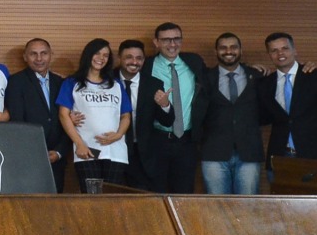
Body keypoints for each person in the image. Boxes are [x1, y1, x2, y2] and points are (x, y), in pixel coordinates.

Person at [260, 32, 317, 164]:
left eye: (285, 48)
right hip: (279, 157)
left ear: (295, 50)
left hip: (316, 156)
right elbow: (263, 117)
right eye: (274, 50)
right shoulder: (266, 83)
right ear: (269, 55)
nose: (280, 54)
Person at [142, 22, 208, 193]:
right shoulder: (146, 66)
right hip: (157, 140)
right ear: (156, 42)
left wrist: (251, 70)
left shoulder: (194, 61)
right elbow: (119, 75)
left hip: (187, 141)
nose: (172, 44)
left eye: (176, 39)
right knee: (156, 193)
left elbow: (216, 76)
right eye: (166, 40)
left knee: (184, 193)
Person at [57, 38, 131, 188]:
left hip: (115, 150)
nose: (101, 58)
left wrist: (118, 135)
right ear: (88, 55)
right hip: (88, 149)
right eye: (97, 53)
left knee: (111, 199)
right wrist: (79, 144)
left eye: (105, 55)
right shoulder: (72, 83)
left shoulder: (116, 84)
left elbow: (126, 116)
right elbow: (63, 115)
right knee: (92, 198)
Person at [198, 33, 265, 195]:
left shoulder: (257, 76)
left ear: (241, 50)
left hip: (248, 153)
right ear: (216, 51)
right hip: (213, 153)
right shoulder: (204, 78)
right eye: (223, 47)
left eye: (233, 47)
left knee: (248, 207)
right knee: (217, 208)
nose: (229, 51)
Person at [5, 38, 70, 193]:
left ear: (51, 55)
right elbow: (17, 123)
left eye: (44, 53)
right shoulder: (15, 82)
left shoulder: (61, 83)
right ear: (25, 57)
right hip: (28, 158)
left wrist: (59, 152)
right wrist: (36, 153)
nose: (39, 58)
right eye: (33, 54)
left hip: (56, 159)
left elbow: (69, 121)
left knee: (54, 209)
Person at [115, 39, 173, 191]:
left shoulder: (153, 84)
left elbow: (167, 121)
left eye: (139, 58)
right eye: (129, 57)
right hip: (113, 151)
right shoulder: (106, 79)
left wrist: (165, 105)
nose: (134, 62)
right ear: (119, 58)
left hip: (144, 154)